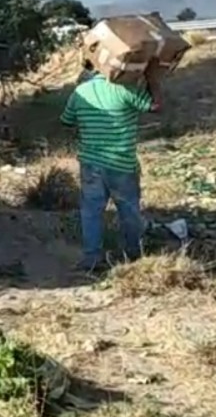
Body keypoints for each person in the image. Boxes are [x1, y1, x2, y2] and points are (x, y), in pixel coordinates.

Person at [60, 59, 163, 272]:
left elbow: (66, 120)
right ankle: (133, 256)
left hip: (90, 164)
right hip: (121, 164)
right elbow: (155, 106)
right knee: (128, 210)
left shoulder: (80, 92)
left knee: (91, 211)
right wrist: (152, 79)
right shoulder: (126, 89)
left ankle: (92, 258)